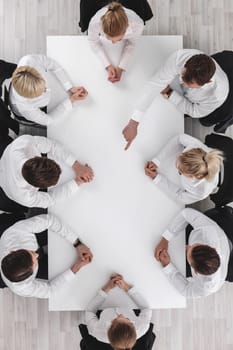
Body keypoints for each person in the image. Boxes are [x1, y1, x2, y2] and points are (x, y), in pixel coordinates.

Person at [122, 49, 229, 149]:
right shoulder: (181, 57)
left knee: (205, 121)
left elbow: (194, 111)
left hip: (219, 105)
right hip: (216, 66)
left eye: (190, 84)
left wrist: (169, 93)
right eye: (182, 76)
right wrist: (134, 122)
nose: (183, 83)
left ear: (208, 82)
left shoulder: (216, 95)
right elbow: (155, 84)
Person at [0, 213, 93, 298]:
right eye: (35, 262)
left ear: (12, 251)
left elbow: (49, 220)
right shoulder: (22, 288)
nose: (37, 255)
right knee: (56, 270)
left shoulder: (14, 233)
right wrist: (76, 267)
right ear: (30, 275)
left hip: (31, 238)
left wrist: (77, 243)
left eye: (31, 252)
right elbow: (50, 290)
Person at [0, 134, 94, 209]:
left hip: (4, 154)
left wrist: (76, 165)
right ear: (36, 187)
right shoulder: (24, 197)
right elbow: (51, 199)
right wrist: (77, 182)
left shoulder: (22, 144)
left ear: (38, 157)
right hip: (5, 188)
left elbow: (52, 146)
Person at [154, 208, 230, 298]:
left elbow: (186, 291)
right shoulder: (210, 231)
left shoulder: (207, 287)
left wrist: (167, 266)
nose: (187, 246)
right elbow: (186, 213)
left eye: (188, 253)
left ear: (196, 272)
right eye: (194, 245)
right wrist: (166, 238)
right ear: (212, 247)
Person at [9, 54, 88, 126]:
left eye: (43, 84)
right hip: (23, 111)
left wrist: (69, 87)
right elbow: (49, 120)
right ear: (30, 98)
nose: (47, 90)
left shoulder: (29, 60)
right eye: (40, 92)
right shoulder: (26, 108)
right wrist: (71, 100)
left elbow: (53, 65)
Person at [144, 133, 223, 204]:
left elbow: (180, 197)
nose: (176, 168)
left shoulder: (201, 191)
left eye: (180, 171)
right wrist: (157, 160)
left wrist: (157, 178)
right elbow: (179, 138)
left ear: (197, 176)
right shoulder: (195, 148)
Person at [85, 273, 152, 348]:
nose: (121, 315)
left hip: (104, 307)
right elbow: (146, 308)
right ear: (133, 325)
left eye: (115, 319)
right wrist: (126, 287)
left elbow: (89, 311)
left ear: (109, 327)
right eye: (127, 319)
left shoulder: (97, 331)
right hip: (127, 303)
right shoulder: (142, 327)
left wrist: (107, 288)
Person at [88, 1, 144, 83]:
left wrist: (121, 67)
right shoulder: (95, 22)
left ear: (126, 29)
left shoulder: (137, 25)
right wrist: (107, 65)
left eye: (119, 39)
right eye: (108, 38)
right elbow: (93, 41)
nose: (113, 43)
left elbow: (132, 43)